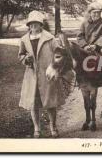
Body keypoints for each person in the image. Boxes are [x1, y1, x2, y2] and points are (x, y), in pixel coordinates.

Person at [18, 10, 66, 138]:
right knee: (34, 104)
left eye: (36, 23)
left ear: (41, 24)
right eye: (31, 23)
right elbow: (21, 55)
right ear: (28, 25)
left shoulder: (49, 38)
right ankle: (37, 128)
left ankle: (53, 127)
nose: (33, 26)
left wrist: (55, 68)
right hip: (31, 77)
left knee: (50, 103)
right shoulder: (24, 39)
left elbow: (59, 54)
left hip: (47, 76)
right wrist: (25, 59)